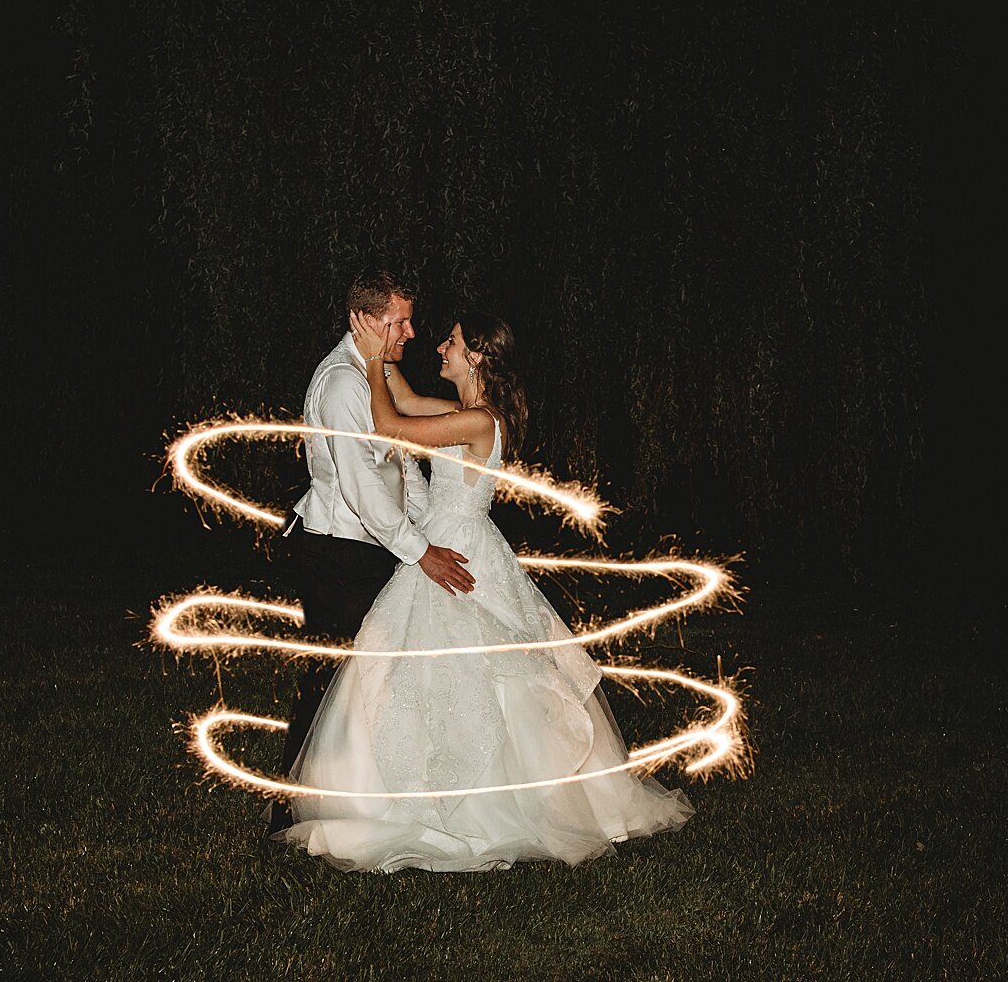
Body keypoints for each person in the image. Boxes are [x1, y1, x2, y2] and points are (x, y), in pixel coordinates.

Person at [271, 308, 694, 871]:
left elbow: (392, 426)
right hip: (447, 541)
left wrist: (372, 360)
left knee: (481, 675)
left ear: (477, 357)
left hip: (459, 550)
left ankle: (483, 808)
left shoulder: (481, 423)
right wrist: (377, 346)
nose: (438, 347)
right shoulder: (460, 412)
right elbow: (402, 400)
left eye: (452, 341)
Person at [266, 270, 476, 837]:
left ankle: (367, 796)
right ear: (364, 319)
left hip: (373, 548)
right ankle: (293, 808)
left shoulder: (375, 375)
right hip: (338, 551)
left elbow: (401, 462)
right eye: (398, 321)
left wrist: (428, 523)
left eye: (409, 320)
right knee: (330, 679)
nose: (409, 332)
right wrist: (420, 551)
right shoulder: (341, 385)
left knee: (374, 680)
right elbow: (360, 486)